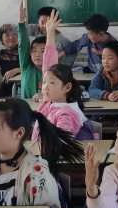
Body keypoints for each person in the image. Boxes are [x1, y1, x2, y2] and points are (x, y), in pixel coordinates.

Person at [36, 10, 91, 139]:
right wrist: (50, 34)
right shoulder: (49, 102)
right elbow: (48, 66)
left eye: (52, 83)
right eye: (44, 82)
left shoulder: (66, 114)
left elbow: (61, 142)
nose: (45, 87)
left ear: (67, 87)